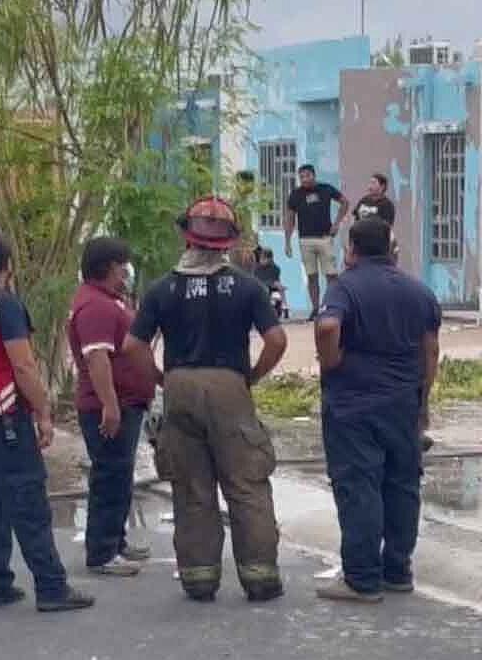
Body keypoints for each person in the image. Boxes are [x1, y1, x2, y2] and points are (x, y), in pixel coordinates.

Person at [123, 196, 289, 603]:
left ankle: (199, 578)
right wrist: (250, 376)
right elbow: (277, 340)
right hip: (230, 385)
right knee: (246, 482)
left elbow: (132, 347)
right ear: (229, 242)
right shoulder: (248, 287)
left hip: (180, 385)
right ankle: (260, 578)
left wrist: (162, 379)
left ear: (184, 236)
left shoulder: (162, 289)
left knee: (192, 486)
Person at [0, 231, 93, 611]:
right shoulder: (5, 306)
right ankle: (51, 587)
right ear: (8, 265)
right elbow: (24, 366)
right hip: (6, 419)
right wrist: (43, 411)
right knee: (27, 501)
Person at [314, 217, 440, 602]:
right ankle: (397, 569)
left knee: (360, 485)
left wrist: (331, 361)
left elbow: (327, 328)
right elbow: (430, 350)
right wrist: (422, 396)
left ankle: (362, 579)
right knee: (402, 484)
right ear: (390, 249)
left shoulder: (344, 288)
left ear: (351, 249)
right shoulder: (419, 291)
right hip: (403, 403)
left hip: (353, 405)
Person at [67, 237, 154, 577]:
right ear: (107, 268)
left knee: (119, 476)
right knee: (109, 477)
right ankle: (102, 552)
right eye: (122, 266)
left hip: (125, 403)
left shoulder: (107, 301)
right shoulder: (96, 307)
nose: (126, 272)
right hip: (108, 406)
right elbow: (97, 357)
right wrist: (110, 406)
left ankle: (115, 542)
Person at [283, 165, 349, 319]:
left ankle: (332, 306)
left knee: (331, 275)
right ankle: (315, 308)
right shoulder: (296, 194)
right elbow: (290, 218)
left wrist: (337, 223)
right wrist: (287, 242)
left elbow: (345, 202)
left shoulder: (325, 189)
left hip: (324, 238)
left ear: (314, 175)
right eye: (301, 177)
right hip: (305, 240)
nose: (304, 179)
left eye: (307, 176)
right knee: (311, 276)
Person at [253, 247, 287, 318]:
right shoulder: (256, 268)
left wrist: (279, 286)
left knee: (279, 286)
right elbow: (257, 281)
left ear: (270, 259)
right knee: (265, 288)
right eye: (261, 258)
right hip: (262, 287)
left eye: (263, 258)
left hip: (272, 286)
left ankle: (285, 306)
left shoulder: (275, 268)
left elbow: (275, 280)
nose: (261, 260)